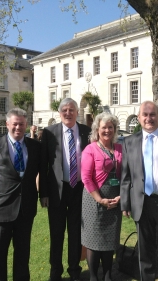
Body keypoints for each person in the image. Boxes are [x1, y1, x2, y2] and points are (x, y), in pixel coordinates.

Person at [120, 101, 158, 281]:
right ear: (139, 118)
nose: (149, 118)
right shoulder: (129, 141)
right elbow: (126, 175)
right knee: (144, 249)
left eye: (152, 114)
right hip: (142, 202)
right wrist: (125, 202)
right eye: (145, 115)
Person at [0, 108, 41, 281]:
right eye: (14, 124)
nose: (18, 128)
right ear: (7, 124)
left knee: (23, 256)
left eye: (21, 124)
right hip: (0, 210)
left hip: (25, 210)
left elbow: (39, 171)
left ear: (26, 124)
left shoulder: (35, 147)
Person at [39, 98, 91, 281]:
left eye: (71, 110)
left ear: (77, 112)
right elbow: (43, 165)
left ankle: (74, 271)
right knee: (57, 233)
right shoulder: (49, 133)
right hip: (57, 192)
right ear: (59, 113)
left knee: (76, 233)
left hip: (80, 190)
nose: (68, 113)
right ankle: (55, 272)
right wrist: (43, 193)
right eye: (64, 110)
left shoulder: (87, 132)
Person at [81, 112, 122, 281]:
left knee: (109, 240)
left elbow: (126, 175)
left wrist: (121, 197)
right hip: (94, 199)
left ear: (114, 129)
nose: (107, 130)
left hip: (115, 200)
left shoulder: (120, 148)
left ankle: (107, 275)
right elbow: (86, 178)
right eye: (104, 127)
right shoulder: (90, 149)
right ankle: (93, 277)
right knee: (93, 240)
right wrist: (99, 199)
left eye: (110, 127)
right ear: (97, 130)